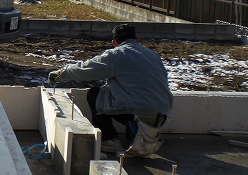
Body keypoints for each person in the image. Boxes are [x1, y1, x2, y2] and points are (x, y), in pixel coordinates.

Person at [48, 23, 173, 156]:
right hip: (161, 115)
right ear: (136, 39)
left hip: (137, 114)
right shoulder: (153, 55)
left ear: (114, 42)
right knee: (113, 89)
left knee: (95, 95)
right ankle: (142, 132)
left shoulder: (116, 55)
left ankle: (109, 140)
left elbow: (86, 69)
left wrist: (62, 73)